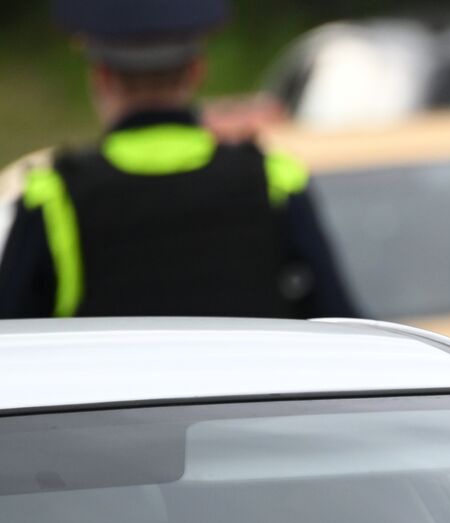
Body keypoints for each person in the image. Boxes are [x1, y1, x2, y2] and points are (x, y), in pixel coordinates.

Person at [0, 0, 356, 318]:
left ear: (101, 77)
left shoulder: (52, 196)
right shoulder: (274, 178)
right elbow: (340, 321)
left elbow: (14, 346)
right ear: (197, 69)